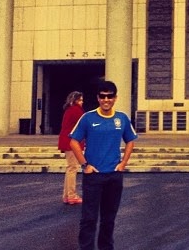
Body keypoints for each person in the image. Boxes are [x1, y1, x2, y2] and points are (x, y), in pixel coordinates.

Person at [69, 80, 138, 250]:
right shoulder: (88, 118)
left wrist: (123, 163)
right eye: (102, 96)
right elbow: (73, 141)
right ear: (98, 98)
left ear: (115, 98)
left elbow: (130, 141)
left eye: (110, 96)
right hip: (93, 176)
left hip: (114, 175)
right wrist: (85, 165)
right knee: (89, 219)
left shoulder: (121, 118)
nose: (106, 100)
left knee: (109, 219)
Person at [58, 90, 85, 205]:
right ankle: (71, 195)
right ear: (75, 100)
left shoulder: (69, 110)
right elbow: (83, 126)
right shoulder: (76, 111)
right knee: (72, 168)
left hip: (66, 141)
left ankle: (67, 195)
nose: (82, 102)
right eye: (80, 100)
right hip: (72, 143)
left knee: (70, 168)